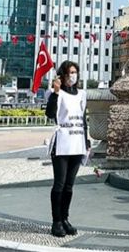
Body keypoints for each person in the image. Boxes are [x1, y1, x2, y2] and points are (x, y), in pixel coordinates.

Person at [45, 61, 89, 237]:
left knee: (69, 186)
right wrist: (55, 93)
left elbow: (83, 118)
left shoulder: (82, 94)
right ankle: (56, 221)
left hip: (77, 143)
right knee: (60, 183)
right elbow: (50, 113)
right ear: (62, 75)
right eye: (70, 72)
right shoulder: (57, 93)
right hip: (62, 143)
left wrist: (86, 142)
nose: (73, 75)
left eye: (75, 72)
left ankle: (65, 218)